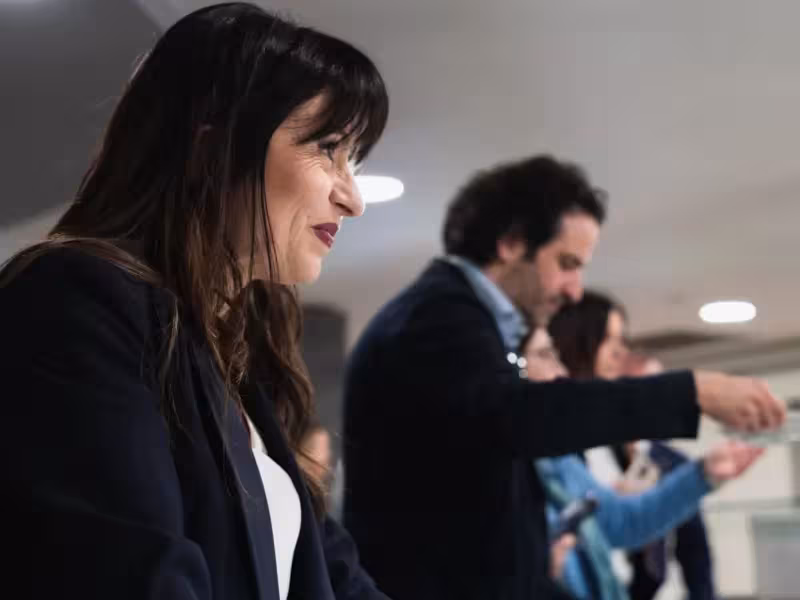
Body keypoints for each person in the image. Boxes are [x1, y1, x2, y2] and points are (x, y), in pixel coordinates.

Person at [0, 4, 390, 600]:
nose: (353, 199)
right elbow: (134, 573)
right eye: (329, 148)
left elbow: (334, 572)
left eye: (353, 160)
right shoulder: (77, 299)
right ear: (214, 151)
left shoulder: (239, 351)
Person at [341, 155, 785, 600]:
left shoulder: (458, 318)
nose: (575, 289)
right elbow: (518, 416)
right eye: (567, 263)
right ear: (512, 243)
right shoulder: (435, 317)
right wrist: (693, 391)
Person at [522, 328, 760, 600]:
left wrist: (703, 473)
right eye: (545, 354)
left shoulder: (558, 460)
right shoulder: (565, 451)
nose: (561, 371)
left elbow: (624, 521)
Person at [549, 293, 719, 600]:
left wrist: (705, 473)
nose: (619, 352)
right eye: (609, 340)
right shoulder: (556, 441)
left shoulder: (627, 447)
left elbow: (637, 525)